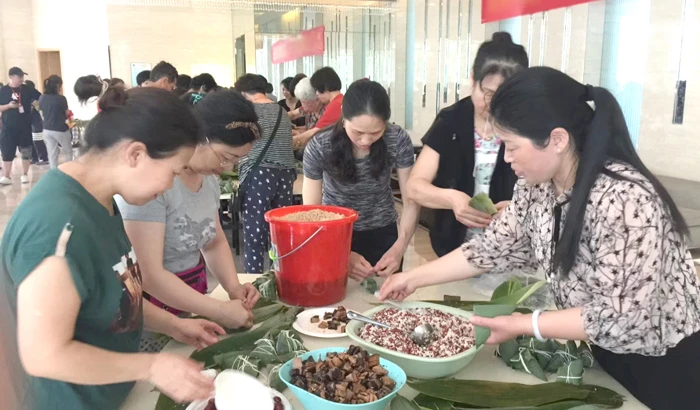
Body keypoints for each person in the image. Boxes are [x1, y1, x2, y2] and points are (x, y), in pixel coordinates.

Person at [379, 66, 700, 410]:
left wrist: (524, 324)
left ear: (557, 140)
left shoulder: (625, 200)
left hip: (666, 363)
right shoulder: (537, 188)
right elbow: (490, 248)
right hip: (605, 352)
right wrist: (413, 278)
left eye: (512, 146)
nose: (507, 158)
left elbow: (622, 317)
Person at [0, 86, 225, 410]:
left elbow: (114, 294)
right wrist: (151, 367)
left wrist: (174, 325)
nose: (169, 186)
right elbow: (44, 355)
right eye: (172, 173)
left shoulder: (100, 199)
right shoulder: (57, 226)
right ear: (135, 154)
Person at [115, 90, 261, 352]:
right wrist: (218, 310)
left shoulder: (209, 180)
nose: (227, 168)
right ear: (200, 137)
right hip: (153, 316)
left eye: (236, 161)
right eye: (225, 157)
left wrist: (233, 288)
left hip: (190, 303)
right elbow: (148, 274)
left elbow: (213, 241)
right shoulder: (154, 185)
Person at [407, 32, 532, 294]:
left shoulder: (528, 127)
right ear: (473, 79)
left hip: (514, 256)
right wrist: (452, 199)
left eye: (505, 96)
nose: (493, 104)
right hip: (454, 252)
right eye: (487, 93)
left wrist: (519, 209)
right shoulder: (452, 120)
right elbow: (415, 187)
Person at [303, 80, 420, 279]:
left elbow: (411, 200)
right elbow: (312, 211)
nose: (366, 141)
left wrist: (400, 247)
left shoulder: (397, 139)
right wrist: (341, 252)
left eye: (376, 132)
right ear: (343, 118)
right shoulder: (320, 145)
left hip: (383, 233)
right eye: (357, 132)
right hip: (333, 233)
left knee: (383, 295)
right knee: (338, 294)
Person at [234, 74, 296, 273]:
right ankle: (281, 277)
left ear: (243, 93)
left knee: (255, 233)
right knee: (279, 233)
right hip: (286, 175)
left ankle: (254, 280)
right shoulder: (281, 111)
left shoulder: (248, 112)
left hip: (259, 174)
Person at [0, 67, 41, 185]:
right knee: (7, 152)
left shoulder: (27, 89)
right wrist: (8, 106)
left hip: (25, 126)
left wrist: (35, 104)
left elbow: (40, 98)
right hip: (8, 127)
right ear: (11, 77)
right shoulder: (3, 91)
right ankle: (6, 176)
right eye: (19, 77)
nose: (21, 79)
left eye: (22, 77)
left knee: (26, 151)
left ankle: (25, 174)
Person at [293, 67, 343, 150]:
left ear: (325, 88)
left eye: (317, 90)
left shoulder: (335, 106)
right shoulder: (340, 100)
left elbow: (313, 133)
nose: (316, 94)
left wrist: (285, 143)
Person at [40, 75, 73, 168]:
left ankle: (53, 171)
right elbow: (66, 113)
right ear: (57, 85)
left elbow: (42, 111)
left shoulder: (42, 97)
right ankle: (69, 170)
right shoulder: (61, 98)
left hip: (47, 129)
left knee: (52, 154)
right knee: (68, 152)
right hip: (60, 129)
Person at [25, 80, 49, 165]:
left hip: (37, 120)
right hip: (28, 121)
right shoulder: (24, 96)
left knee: (37, 139)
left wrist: (35, 104)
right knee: (30, 139)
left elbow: (40, 109)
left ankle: (43, 158)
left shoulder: (37, 96)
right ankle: (34, 157)